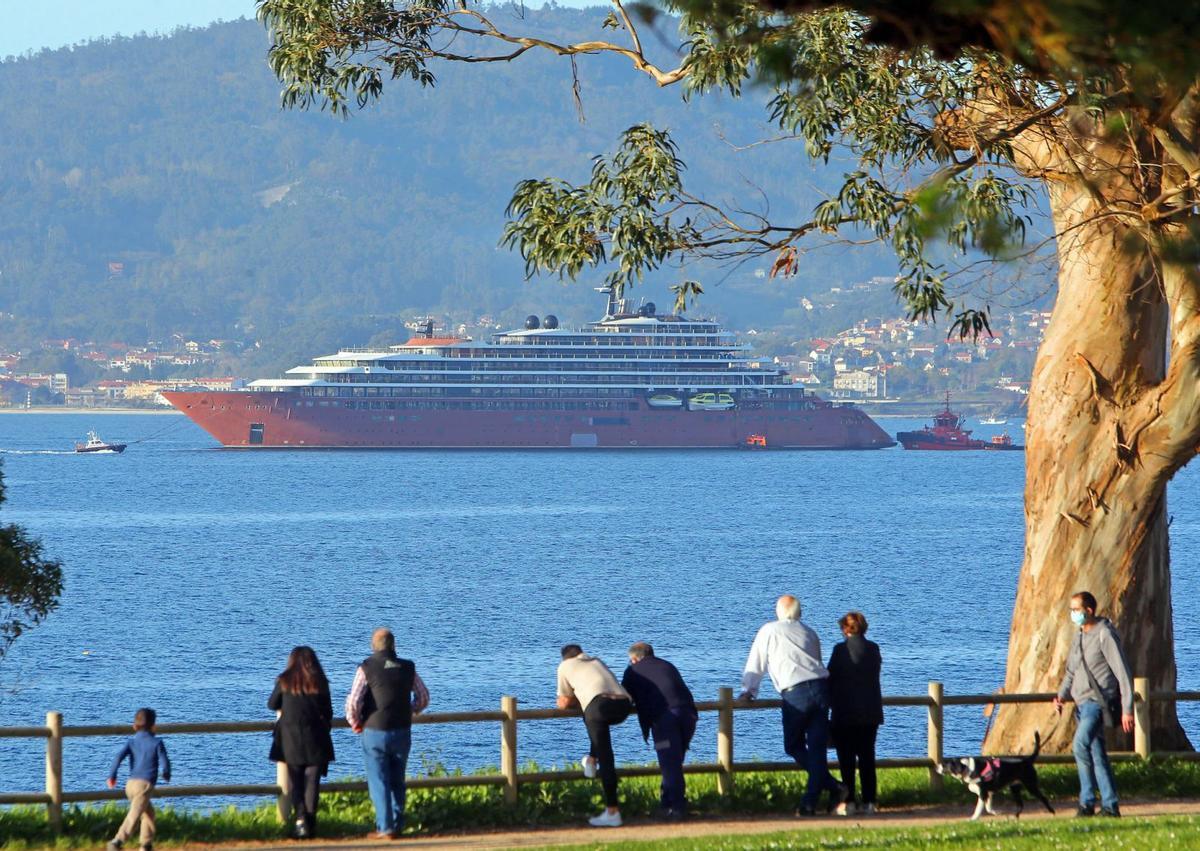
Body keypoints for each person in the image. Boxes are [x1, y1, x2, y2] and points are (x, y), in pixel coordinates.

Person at [739, 594, 848, 816]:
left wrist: (748, 691)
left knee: (793, 745)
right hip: (820, 690)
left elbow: (756, 663)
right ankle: (812, 802)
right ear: (799, 612)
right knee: (817, 750)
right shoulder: (809, 632)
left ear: (779, 611)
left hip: (795, 693)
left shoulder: (769, 630)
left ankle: (830, 789)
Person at [1053, 591, 1135, 818]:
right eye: (1071, 610)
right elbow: (1071, 670)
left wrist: (1127, 708)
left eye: (1076, 610)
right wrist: (1061, 695)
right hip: (1080, 705)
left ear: (1089, 610)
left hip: (1097, 703)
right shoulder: (1079, 636)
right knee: (1097, 755)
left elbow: (1123, 673)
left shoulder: (1105, 635)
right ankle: (1110, 806)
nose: (1073, 614)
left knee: (1079, 745)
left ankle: (1086, 802)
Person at [345, 628, 430, 838]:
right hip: (402, 729)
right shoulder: (408, 667)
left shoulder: (366, 667)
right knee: (398, 779)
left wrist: (356, 724)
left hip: (374, 731)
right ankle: (398, 824)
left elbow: (354, 703)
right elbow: (423, 697)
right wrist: (410, 710)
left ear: (373, 646)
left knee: (379, 780)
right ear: (393, 645)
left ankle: (385, 827)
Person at [620, 641, 699, 820]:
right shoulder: (667, 665)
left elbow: (625, 697)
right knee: (674, 761)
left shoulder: (633, 671)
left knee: (669, 763)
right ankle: (666, 803)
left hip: (664, 717)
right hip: (688, 714)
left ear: (634, 659)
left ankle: (677, 807)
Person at [557, 643, 633, 827]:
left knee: (606, 756)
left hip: (598, 707)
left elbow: (564, 702)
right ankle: (591, 760)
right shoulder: (596, 661)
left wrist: (575, 700)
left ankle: (612, 811)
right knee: (600, 730)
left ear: (565, 657)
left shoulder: (565, 666)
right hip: (624, 704)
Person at [269, 646, 336, 839]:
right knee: (312, 782)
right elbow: (328, 712)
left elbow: (272, 704)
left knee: (296, 782)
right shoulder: (320, 682)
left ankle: (300, 821)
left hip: (290, 739)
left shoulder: (284, 681)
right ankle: (311, 822)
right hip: (316, 738)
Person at [827, 611, 883, 816]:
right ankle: (870, 801)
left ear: (845, 628)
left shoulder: (840, 650)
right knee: (867, 758)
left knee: (847, 760)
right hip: (870, 712)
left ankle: (849, 801)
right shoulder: (873, 649)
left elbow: (830, 678)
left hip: (844, 712)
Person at [105, 707, 171, 851]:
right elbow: (165, 762)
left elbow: (118, 757)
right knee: (134, 814)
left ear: (134, 726)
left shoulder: (131, 742)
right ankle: (117, 841)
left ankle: (146, 844)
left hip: (130, 785)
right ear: (154, 726)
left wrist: (112, 776)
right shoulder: (157, 743)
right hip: (144, 785)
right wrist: (166, 774)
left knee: (149, 814)